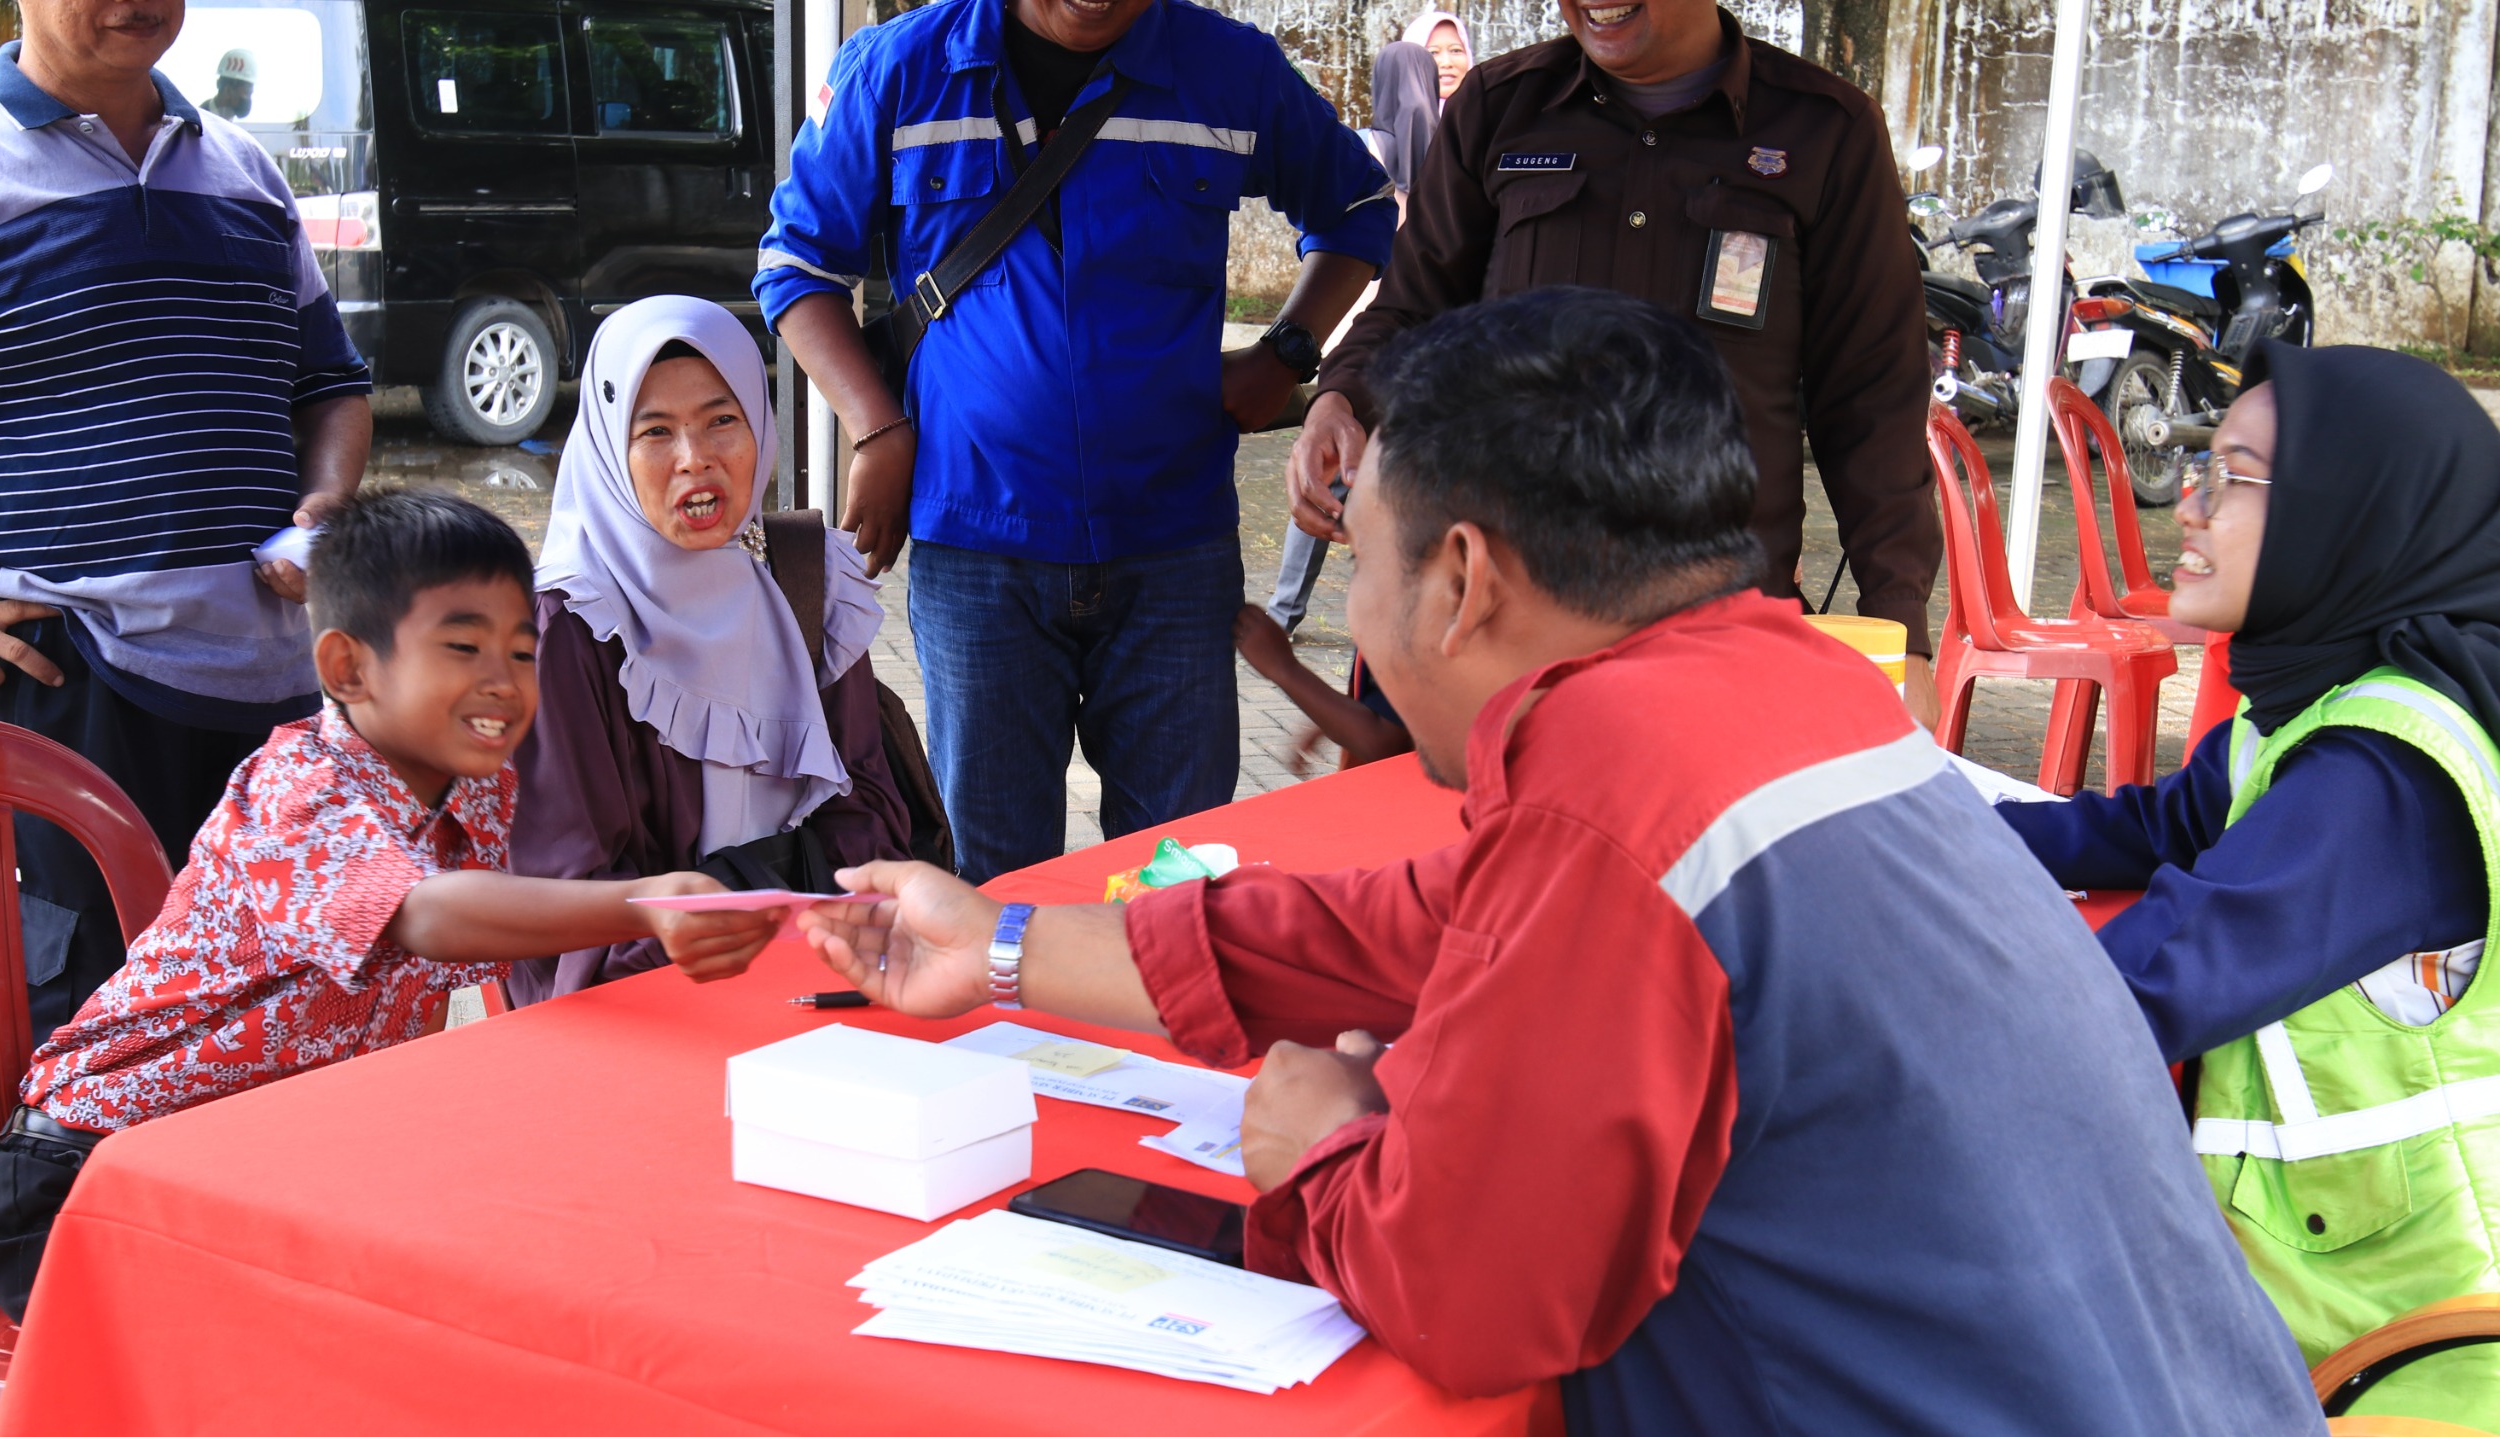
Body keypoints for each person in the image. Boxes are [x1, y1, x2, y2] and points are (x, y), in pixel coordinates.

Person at [796, 289, 2324, 1433]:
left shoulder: (1620, 797)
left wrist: (1321, 1149)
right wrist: (992, 944)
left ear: (1461, 581)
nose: (1364, 631)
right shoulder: (1786, 688)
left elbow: (1475, 1296)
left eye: (1366, 566)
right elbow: (1389, 931)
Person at [0, 490, 783, 1324]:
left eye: (521, 651)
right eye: (463, 647)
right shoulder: (297, 788)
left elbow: (423, 992)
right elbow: (421, 914)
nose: (501, 682)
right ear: (347, 668)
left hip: (263, 1177)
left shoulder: (480, 789)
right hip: (87, 1182)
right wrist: (643, 904)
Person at [756, 0, 1397, 884]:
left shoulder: (1225, 67)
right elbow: (795, 267)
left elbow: (1360, 206)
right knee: (992, 880)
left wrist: (1289, 349)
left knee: (1180, 875)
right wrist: (880, 428)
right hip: (980, 553)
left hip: (1174, 550)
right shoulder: (897, 71)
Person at [1993, 345, 2500, 1426]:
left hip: (2403, 1359)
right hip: (2303, 1308)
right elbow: (2150, 823)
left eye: (2231, 476)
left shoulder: (2385, 777)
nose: (2187, 506)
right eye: (2197, 467)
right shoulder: (2311, 709)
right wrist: (1928, 836)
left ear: (2348, 511)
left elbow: (2142, 981)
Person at [1292, 0, 1942, 723]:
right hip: (1504, 638)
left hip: (1715, 638)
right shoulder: (1500, 108)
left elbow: (1873, 401)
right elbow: (1411, 309)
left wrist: (1901, 628)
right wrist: (1339, 400)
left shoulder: (1825, 131)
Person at [0, 6, 373, 1046]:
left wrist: (322, 507)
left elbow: (331, 386)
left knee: (256, 1040)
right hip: (58, 693)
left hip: (265, 709)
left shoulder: (245, 175)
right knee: (60, 1049)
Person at [508, 297, 913, 1002]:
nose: (695, 460)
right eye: (655, 431)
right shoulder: (573, 627)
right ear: (609, 447)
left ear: (759, 420)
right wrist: (725, 922)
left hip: (818, 973)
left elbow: (870, 805)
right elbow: (563, 890)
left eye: (722, 421)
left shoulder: (804, 577)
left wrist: (777, 916)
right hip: (654, 1007)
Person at [1276, 39, 1442, 634]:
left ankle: (1395, 613)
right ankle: (1287, 608)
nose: (1420, 94)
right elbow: (1342, 225)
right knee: (1333, 467)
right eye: (1422, 67)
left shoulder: (1458, 151)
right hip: (1366, 332)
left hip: (1427, 344)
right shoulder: (1368, 151)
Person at [1231, 603, 1410, 773]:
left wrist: (1284, 669)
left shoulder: (1408, 611)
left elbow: (1386, 743)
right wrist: (1329, 723)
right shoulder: (1395, 604)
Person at [1401, 11, 1473, 103]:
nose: (1447, 63)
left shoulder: (1489, 112)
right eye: (1433, 53)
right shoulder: (1396, 116)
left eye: (1456, 50)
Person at [200, 46, 253, 120]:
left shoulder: (232, 125)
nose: (248, 100)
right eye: (247, 93)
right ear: (227, 91)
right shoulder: (198, 121)